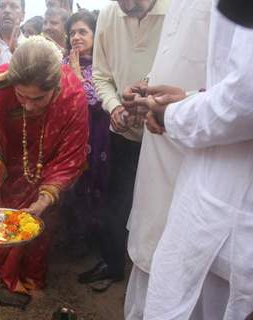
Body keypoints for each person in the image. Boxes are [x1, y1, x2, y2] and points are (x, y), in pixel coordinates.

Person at [0, 36, 89, 307]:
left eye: (38, 99)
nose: (28, 105)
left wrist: (46, 198)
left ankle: (32, 279)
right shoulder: (3, 82)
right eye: (21, 96)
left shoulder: (72, 95)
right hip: (11, 166)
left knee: (41, 225)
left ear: (56, 87)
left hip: (51, 170)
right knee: (6, 218)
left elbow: (72, 155)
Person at [133, 4, 253, 319]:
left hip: (234, 203)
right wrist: (190, 98)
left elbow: (247, 99)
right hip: (211, 190)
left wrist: (173, 114)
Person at [121, 0, 211, 318]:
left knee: (191, 275)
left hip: (205, 158)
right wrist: (147, 87)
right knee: (149, 255)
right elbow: (185, 57)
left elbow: (245, 91)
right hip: (159, 149)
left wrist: (182, 105)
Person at [81, 0, 168, 292]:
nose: (124, 4)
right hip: (124, 133)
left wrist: (156, 103)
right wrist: (114, 107)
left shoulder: (179, 10)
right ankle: (113, 263)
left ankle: (159, 276)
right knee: (116, 201)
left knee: (162, 207)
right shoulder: (108, 14)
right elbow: (101, 75)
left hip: (167, 134)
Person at [61, 10, 110, 257]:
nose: (76, 37)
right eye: (72, 33)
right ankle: (73, 238)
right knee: (71, 187)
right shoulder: (62, 63)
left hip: (98, 136)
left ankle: (95, 241)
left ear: (95, 34)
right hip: (70, 136)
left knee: (97, 184)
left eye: (83, 32)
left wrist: (78, 76)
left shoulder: (104, 64)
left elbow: (97, 101)